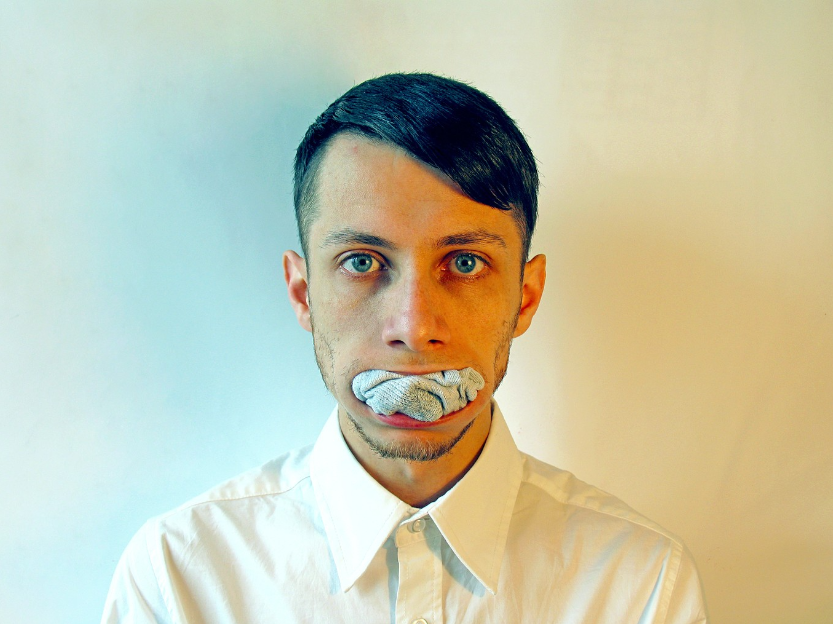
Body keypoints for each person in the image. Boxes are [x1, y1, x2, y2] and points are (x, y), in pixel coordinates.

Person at [102, 73, 708, 623]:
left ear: (525, 298)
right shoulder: (179, 579)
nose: (414, 328)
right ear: (303, 293)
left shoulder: (640, 585)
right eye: (362, 262)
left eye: (465, 263)